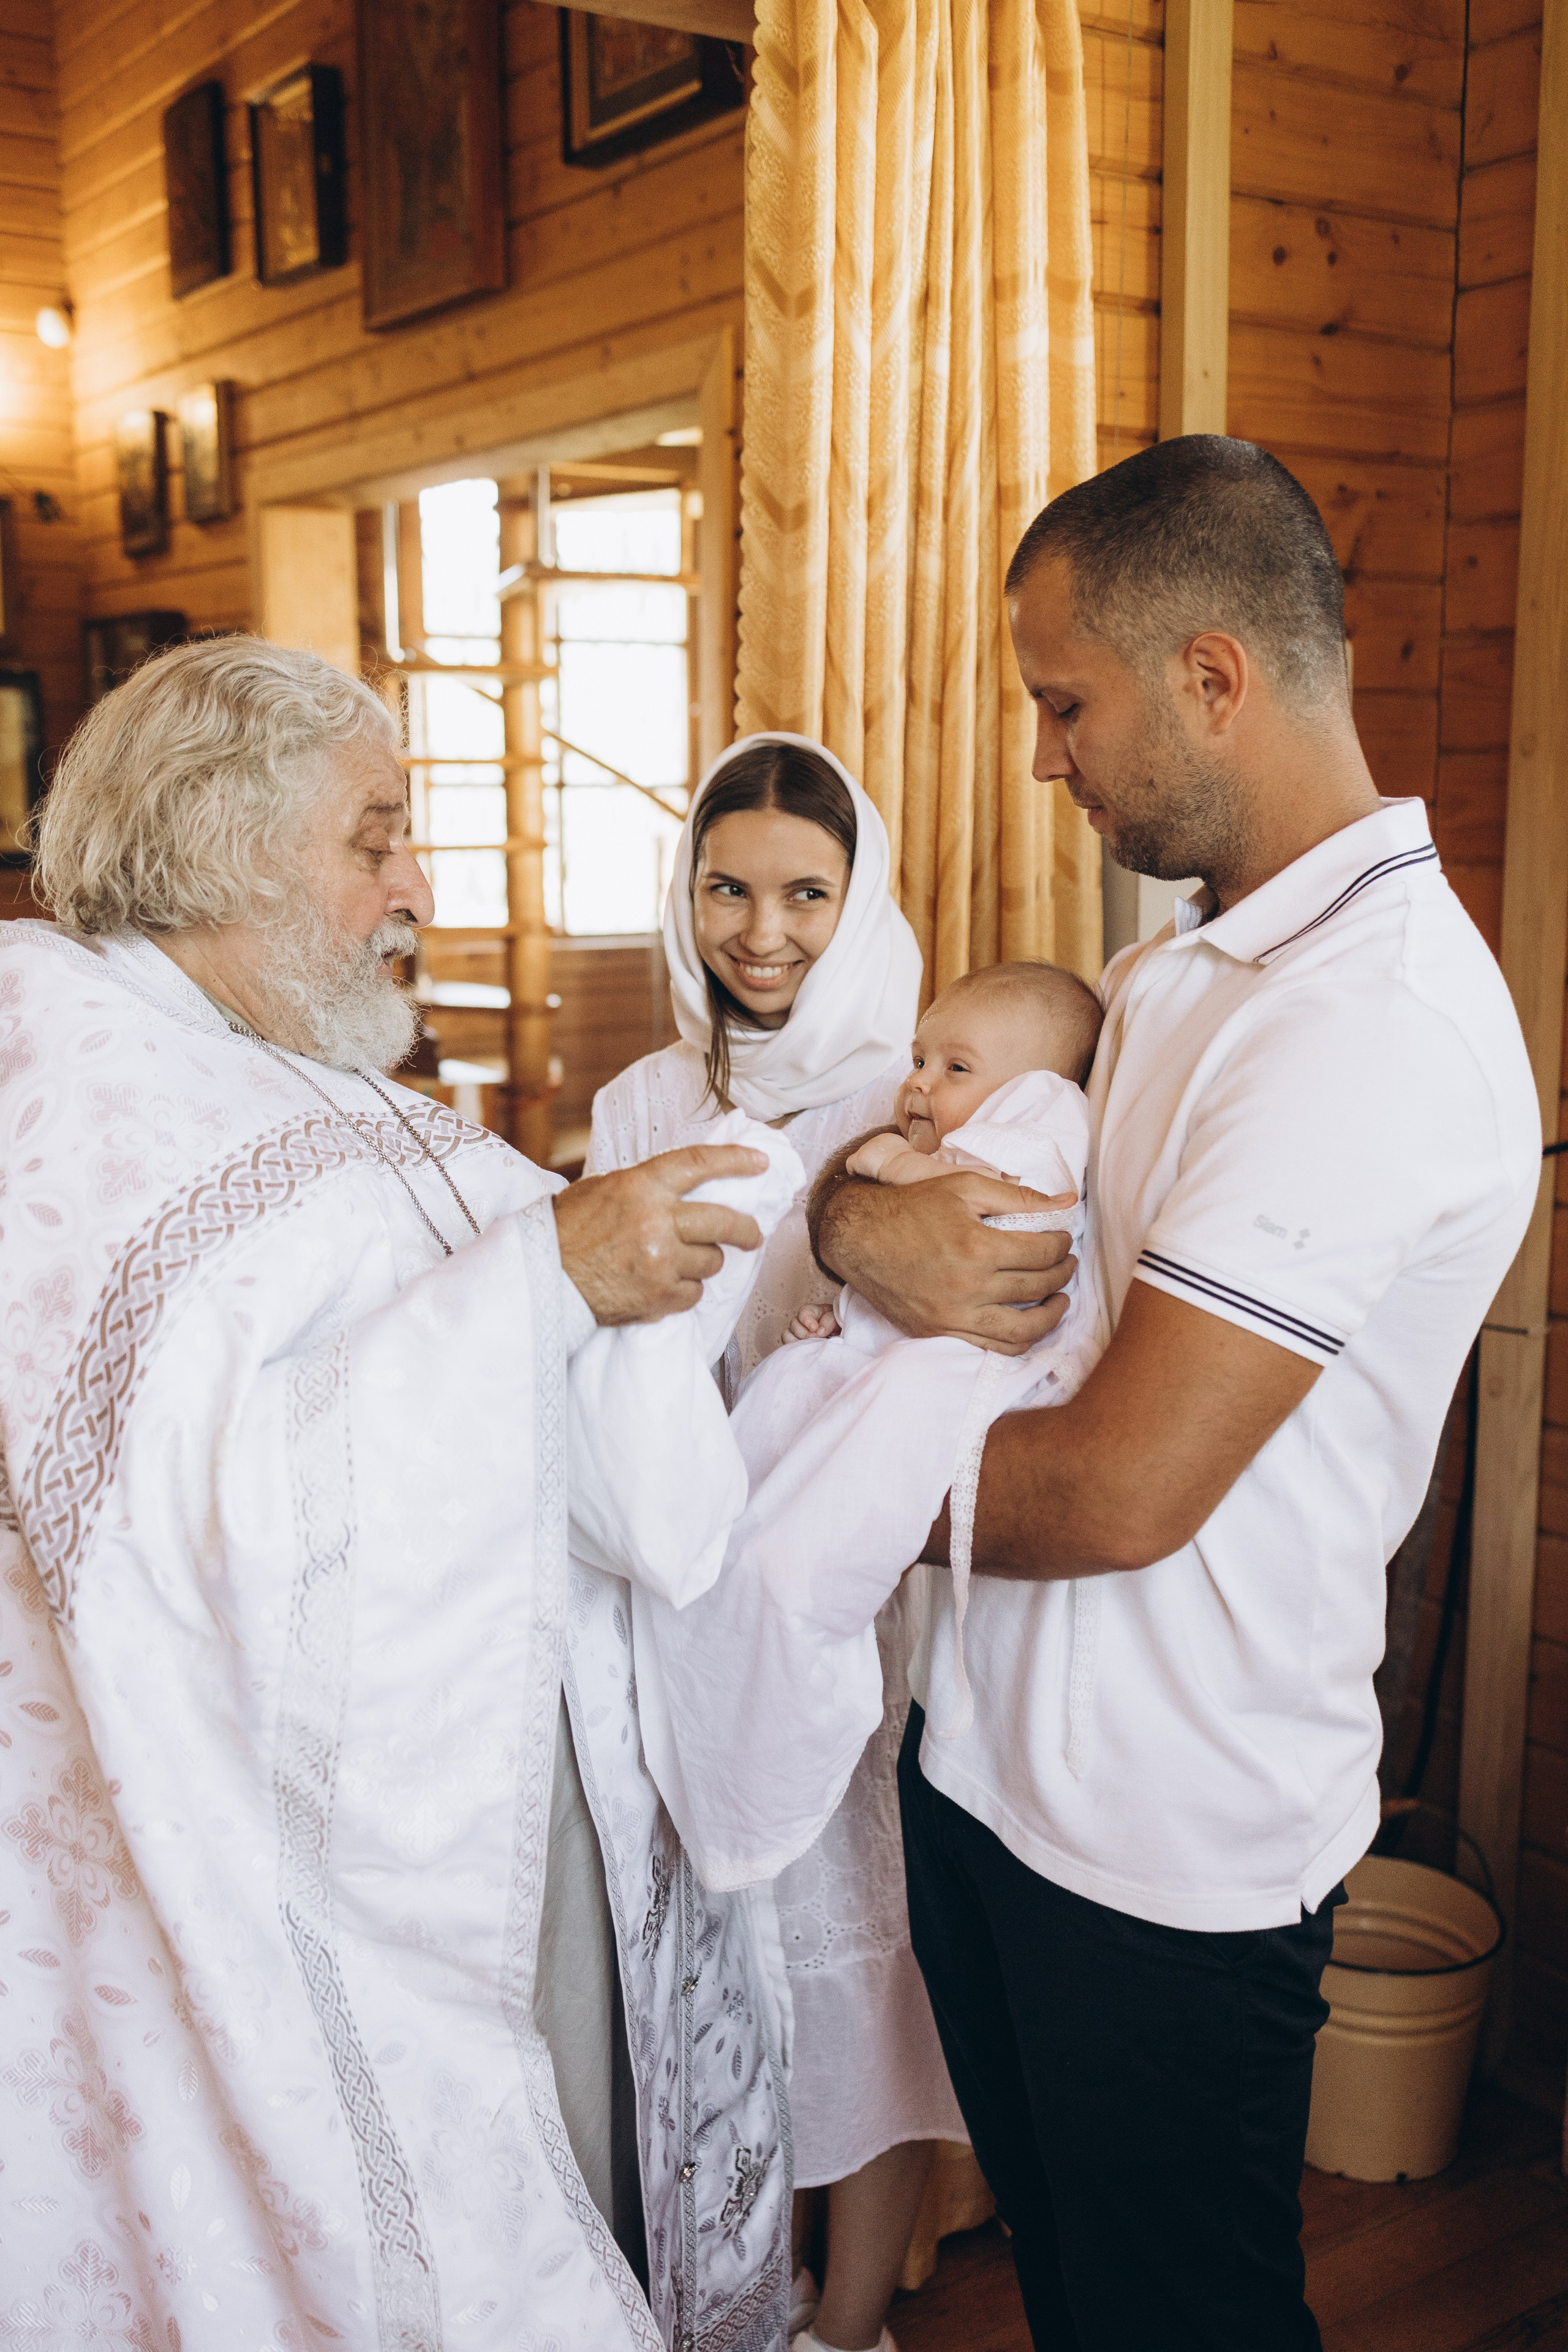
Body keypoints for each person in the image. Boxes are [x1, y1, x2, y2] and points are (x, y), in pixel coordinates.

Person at [807, 437, 1540, 2350]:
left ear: (1214, 677)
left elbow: (1119, 1492)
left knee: (1176, 2320)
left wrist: (784, 1495)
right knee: (1072, 2288)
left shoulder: (1363, 1025)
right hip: (987, 1768)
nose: (1046, 753)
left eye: (1067, 702)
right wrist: (845, 1226)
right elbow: (919, 1185)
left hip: (1162, 1845)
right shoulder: (1184, 965)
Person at [0, 638, 794, 2351]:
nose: (415, 883)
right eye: (376, 833)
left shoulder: (281, 1061)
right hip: (233, 1859)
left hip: (474, 1779)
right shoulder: (66, 1090)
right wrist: (551, 1281)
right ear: (219, 844)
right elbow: (181, 1518)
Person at [585, 734, 965, 2352]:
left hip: (852, 1592)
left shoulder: (915, 1092)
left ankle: (851, 2314)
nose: (763, 930)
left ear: (860, 897)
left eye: (808, 893)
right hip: (677, 1571)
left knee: (856, 1946)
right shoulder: (642, 1100)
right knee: (718, 1941)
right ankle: (724, 2276)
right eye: (727, 887)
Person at [634, 960, 1105, 1894]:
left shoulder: (1043, 1131)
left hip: (957, 1378)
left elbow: (990, 1210)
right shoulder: (936, 1146)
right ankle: (709, 1721)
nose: (919, 1083)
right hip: (889, 1359)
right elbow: (912, 1262)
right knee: (738, 1498)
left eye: (955, 1068)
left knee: (790, 1570)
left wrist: (883, 1164)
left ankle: (764, 1764)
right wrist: (849, 1317)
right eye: (921, 1058)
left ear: (1038, 1091)